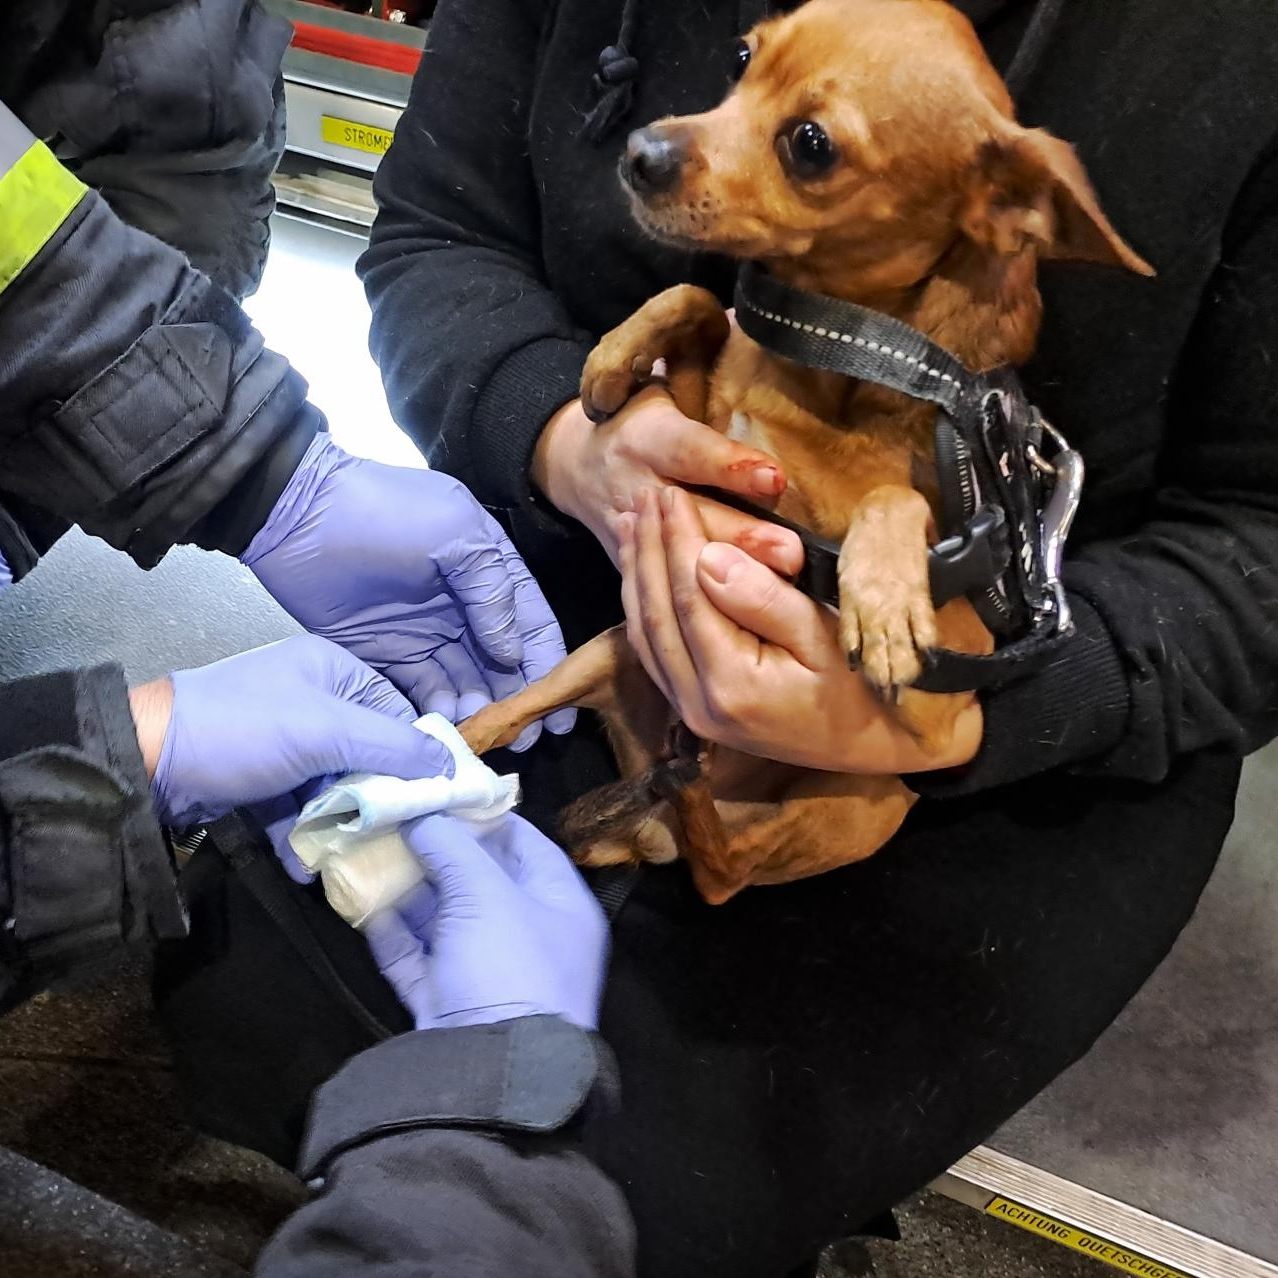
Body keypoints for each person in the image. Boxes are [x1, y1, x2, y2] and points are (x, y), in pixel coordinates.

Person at [344, 0, 1278, 1274]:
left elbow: (1257, 551)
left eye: (810, 148)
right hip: (570, 595)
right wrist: (571, 444)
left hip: (1018, 763)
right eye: (738, 63)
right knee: (269, 983)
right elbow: (437, 238)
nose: (683, 145)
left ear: (1014, 211)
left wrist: (962, 707)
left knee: (603, 1189)